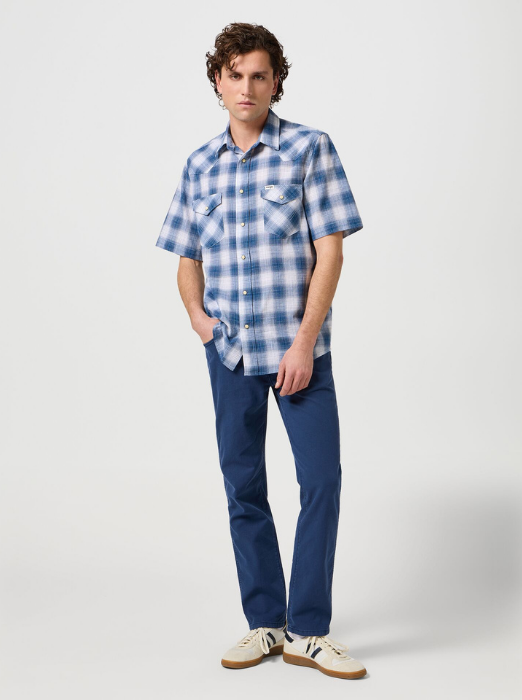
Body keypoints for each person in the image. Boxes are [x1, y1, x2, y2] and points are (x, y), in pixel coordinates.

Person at [155, 22, 367, 680]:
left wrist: (304, 342)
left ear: (276, 83)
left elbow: (330, 252)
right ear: (217, 82)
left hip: (300, 354)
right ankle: (266, 622)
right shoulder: (199, 165)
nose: (246, 87)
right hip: (230, 357)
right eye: (235, 75)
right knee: (243, 487)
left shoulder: (309, 148)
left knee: (321, 481)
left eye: (259, 75)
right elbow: (186, 257)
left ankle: (308, 630)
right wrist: (199, 321)